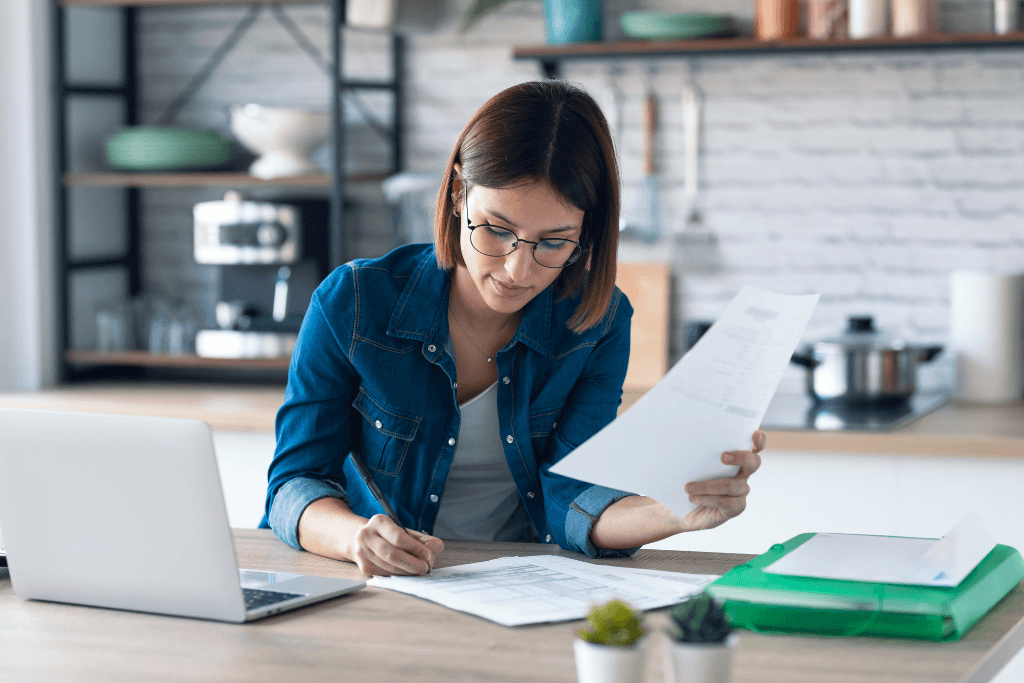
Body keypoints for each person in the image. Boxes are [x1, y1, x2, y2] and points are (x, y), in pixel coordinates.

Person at [263, 80, 765, 577]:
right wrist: (355, 538)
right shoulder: (353, 301)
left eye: (553, 242)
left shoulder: (599, 322)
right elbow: (295, 482)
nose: (517, 271)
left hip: (514, 584)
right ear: (459, 194)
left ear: (586, 233)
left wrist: (675, 513)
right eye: (497, 231)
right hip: (366, 585)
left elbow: (572, 496)